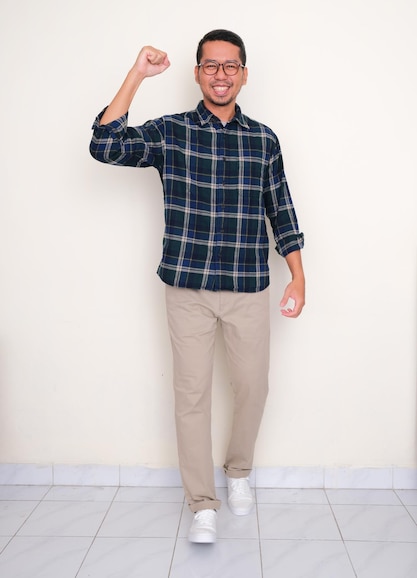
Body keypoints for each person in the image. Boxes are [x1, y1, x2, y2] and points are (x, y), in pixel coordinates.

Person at [90, 29, 305, 544]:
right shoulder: (173, 131)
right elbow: (104, 146)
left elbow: (283, 210)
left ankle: (238, 473)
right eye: (211, 65)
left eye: (231, 66)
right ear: (197, 73)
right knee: (191, 395)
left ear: (244, 74)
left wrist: (298, 274)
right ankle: (201, 501)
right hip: (187, 286)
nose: (221, 74)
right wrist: (137, 74)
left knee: (253, 388)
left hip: (249, 284)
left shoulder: (264, 139)